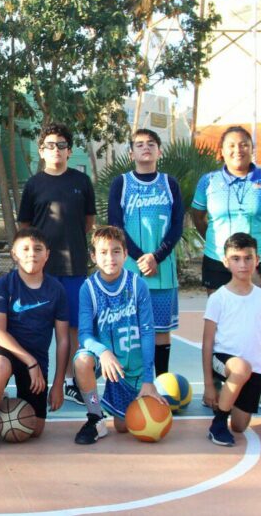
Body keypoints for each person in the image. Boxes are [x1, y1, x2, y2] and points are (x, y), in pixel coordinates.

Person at [17, 122, 96, 405]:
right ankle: (32, 378)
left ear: (69, 150)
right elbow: (25, 226)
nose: (56, 150)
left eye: (61, 145)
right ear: (41, 151)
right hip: (40, 272)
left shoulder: (81, 181)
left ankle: (73, 382)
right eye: (50, 145)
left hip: (74, 267)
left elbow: (88, 223)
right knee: (37, 326)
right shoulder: (34, 184)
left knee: (73, 328)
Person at [0, 228, 70, 451]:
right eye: (25, 249)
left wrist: (58, 385)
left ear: (47, 254)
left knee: (34, 429)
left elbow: (63, 340)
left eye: (38, 249)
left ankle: (2, 403)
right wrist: (30, 362)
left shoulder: (56, 289)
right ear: (14, 255)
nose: (32, 254)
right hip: (8, 351)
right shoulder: (5, 285)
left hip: (37, 357)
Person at [73, 226, 160, 445]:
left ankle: (142, 390)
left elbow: (148, 332)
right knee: (82, 361)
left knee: (124, 426)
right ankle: (95, 416)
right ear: (93, 256)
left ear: (125, 254)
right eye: (103, 252)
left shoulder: (137, 285)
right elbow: (84, 334)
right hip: (105, 359)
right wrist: (103, 353)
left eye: (116, 251)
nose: (110, 257)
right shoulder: (88, 288)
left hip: (132, 362)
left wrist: (149, 380)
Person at [202, 233, 261, 447]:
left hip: (255, 368)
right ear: (226, 262)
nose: (243, 264)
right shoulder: (218, 298)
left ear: (257, 260)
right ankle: (218, 423)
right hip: (224, 359)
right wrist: (208, 385)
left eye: (248, 258)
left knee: (240, 426)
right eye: (236, 258)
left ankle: (229, 397)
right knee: (240, 369)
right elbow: (207, 343)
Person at [107, 128, 183, 376]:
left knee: (161, 330)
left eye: (151, 144)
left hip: (163, 271)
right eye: (139, 144)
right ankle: (133, 381)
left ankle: (161, 384)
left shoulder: (170, 183)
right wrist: (141, 257)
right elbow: (115, 225)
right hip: (131, 269)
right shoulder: (121, 183)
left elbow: (177, 225)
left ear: (159, 151)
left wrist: (156, 256)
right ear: (131, 153)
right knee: (130, 328)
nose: (146, 147)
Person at [190, 126, 261, 295]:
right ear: (222, 151)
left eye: (244, 145)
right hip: (218, 258)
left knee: (258, 316)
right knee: (221, 316)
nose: (238, 150)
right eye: (231, 145)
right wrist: (216, 241)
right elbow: (198, 217)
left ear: (252, 149)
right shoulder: (208, 182)